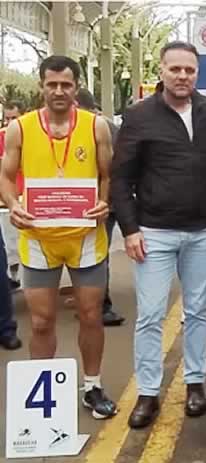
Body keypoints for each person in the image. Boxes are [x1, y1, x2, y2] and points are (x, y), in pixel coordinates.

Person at [112, 41, 206, 428]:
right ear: (161, 70)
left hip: (203, 231)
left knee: (197, 312)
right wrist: (130, 230)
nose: (182, 76)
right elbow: (120, 178)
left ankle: (195, 384)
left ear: (197, 73)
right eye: (175, 69)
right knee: (150, 316)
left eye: (189, 70)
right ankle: (148, 393)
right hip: (153, 233)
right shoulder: (139, 115)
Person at [0, 55, 117, 418]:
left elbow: (108, 174)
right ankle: (42, 396)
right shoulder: (20, 128)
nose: (59, 91)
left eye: (66, 84)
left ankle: (93, 386)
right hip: (39, 239)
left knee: (91, 316)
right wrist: (13, 204)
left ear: (77, 87)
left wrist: (105, 201)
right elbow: (5, 176)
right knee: (40, 322)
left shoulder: (96, 126)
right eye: (52, 84)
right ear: (41, 87)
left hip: (85, 238)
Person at [75, 88, 125, 326]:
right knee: (90, 254)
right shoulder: (105, 126)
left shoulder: (102, 128)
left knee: (96, 254)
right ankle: (90, 302)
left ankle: (101, 306)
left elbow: (113, 168)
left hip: (101, 204)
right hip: (91, 203)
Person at [0, 100, 24, 289]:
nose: (9, 123)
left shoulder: (31, 136)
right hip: (5, 201)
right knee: (9, 244)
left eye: (13, 118)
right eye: (6, 119)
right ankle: (11, 277)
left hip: (27, 197)